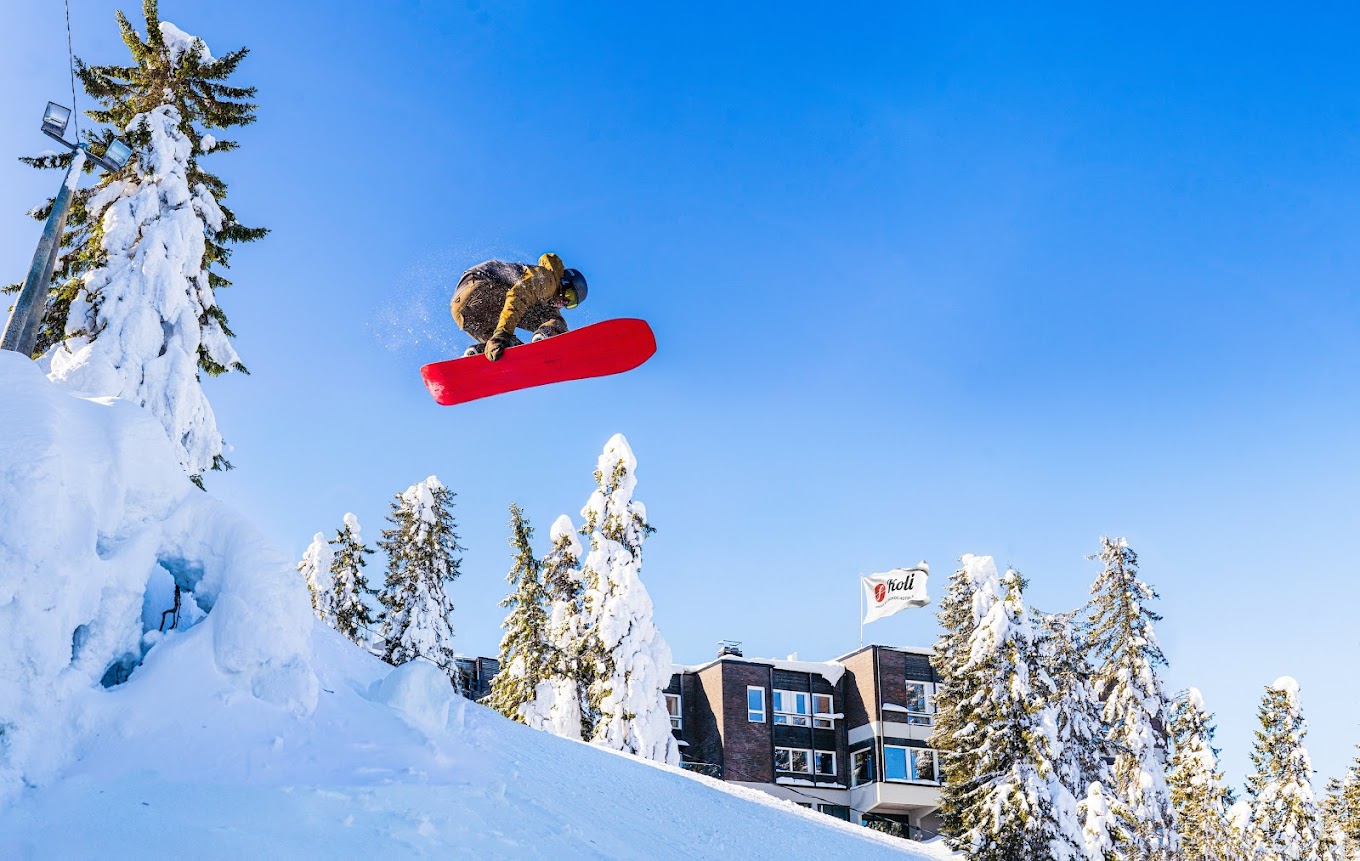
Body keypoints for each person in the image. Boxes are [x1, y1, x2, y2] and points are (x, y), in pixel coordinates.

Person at [450, 253, 588, 361]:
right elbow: (517, 296)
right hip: (481, 289)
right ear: (564, 282)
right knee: (555, 319)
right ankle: (546, 336)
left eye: (571, 304)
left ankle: (477, 353)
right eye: (569, 296)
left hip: (461, 312)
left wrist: (501, 337)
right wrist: (502, 333)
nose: (565, 303)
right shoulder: (548, 279)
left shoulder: (546, 292)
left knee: (509, 349)